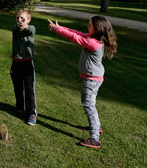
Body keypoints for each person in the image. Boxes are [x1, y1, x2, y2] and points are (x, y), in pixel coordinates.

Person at [48, 16, 117, 149]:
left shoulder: (93, 43)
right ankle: (96, 126)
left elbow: (74, 38)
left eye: (90, 25)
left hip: (92, 79)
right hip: (94, 77)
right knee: (90, 104)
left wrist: (57, 29)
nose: (87, 27)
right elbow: (77, 33)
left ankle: (95, 138)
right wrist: (60, 27)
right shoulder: (95, 39)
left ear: (97, 29)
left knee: (88, 104)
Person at [10, 8, 37, 125]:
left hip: (27, 63)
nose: (20, 20)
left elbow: (31, 30)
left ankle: (32, 113)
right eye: (18, 18)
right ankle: (20, 106)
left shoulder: (31, 28)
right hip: (16, 63)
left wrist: (25, 27)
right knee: (17, 86)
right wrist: (20, 27)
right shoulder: (15, 28)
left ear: (28, 20)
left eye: (23, 18)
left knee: (29, 89)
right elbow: (17, 30)